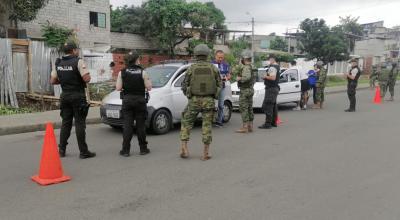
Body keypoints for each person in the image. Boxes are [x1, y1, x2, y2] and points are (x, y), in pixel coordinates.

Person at [50, 40, 96, 159]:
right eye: (77, 50)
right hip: (77, 96)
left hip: (65, 96)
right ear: (74, 50)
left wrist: (65, 81)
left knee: (66, 123)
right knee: (80, 123)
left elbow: (53, 81)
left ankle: (61, 150)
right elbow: (86, 79)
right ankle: (83, 152)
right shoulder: (78, 61)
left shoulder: (58, 63)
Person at [180, 44, 222, 161]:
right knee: (207, 125)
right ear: (207, 54)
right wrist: (214, 95)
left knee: (187, 123)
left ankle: (184, 148)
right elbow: (220, 84)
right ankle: (205, 153)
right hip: (208, 100)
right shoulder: (213, 68)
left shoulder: (191, 68)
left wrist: (189, 95)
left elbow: (184, 85)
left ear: (196, 54)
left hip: (194, 100)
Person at [116, 52, 152, 157]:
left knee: (127, 126)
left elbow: (118, 88)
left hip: (127, 101)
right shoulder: (143, 72)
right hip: (140, 101)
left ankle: (125, 150)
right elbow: (149, 87)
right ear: (136, 60)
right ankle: (143, 149)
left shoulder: (122, 72)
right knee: (140, 126)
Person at [235, 50, 256, 133]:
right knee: (250, 108)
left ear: (243, 58)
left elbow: (247, 77)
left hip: (245, 90)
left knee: (244, 108)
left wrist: (240, 79)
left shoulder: (246, 67)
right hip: (250, 89)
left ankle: (245, 127)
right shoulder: (252, 66)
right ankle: (250, 126)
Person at [259, 54, 280, 129]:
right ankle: (273, 122)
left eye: (269, 59)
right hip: (274, 88)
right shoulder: (277, 66)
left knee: (267, 106)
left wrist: (265, 76)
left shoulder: (273, 67)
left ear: (272, 59)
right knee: (273, 106)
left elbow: (273, 78)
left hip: (271, 88)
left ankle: (268, 123)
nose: (269, 61)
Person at [212, 50, 231, 127]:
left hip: (222, 87)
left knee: (221, 105)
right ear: (215, 56)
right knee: (211, 104)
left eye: (222, 57)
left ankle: (219, 121)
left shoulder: (225, 64)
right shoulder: (211, 64)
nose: (220, 59)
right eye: (219, 57)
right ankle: (211, 120)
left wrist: (226, 78)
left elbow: (229, 75)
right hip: (212, 87)